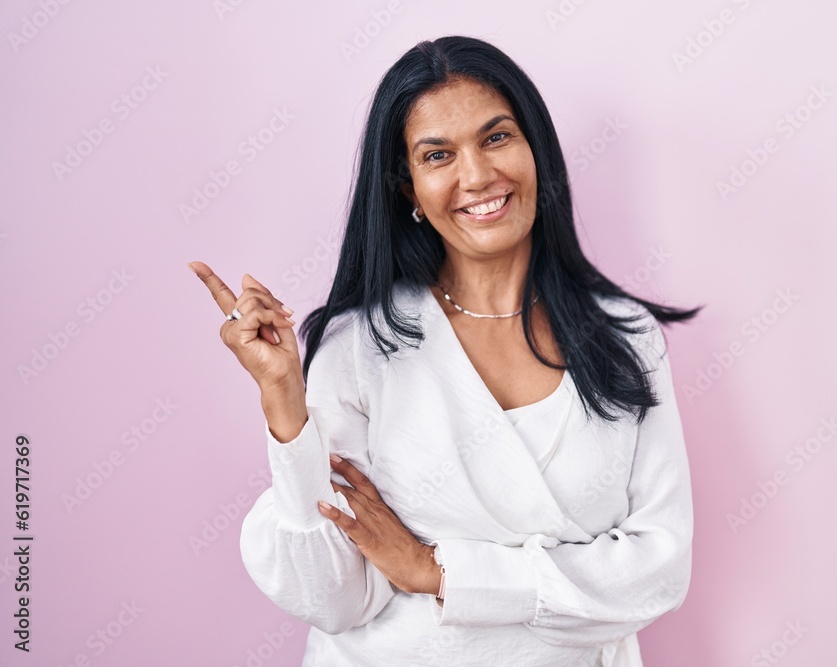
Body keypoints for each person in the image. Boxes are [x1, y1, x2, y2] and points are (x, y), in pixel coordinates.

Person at [190, 35, 701, 667]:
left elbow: (658, 571)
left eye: (496, 138)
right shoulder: (359, 346)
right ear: (408, 189)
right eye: (438, 155)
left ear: (535, 146)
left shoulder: (626, 339)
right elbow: (334, 599)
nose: (478, 176)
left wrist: (437, 572)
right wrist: (287, 412)